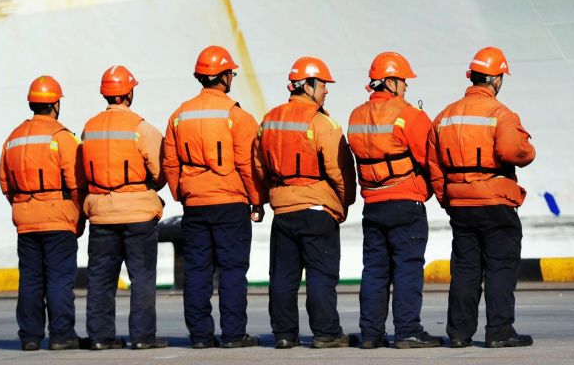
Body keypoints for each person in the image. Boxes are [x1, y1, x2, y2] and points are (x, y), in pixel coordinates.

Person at [428, 47, 536, 349]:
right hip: (494, 203)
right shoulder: (501, 114)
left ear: (472, 77)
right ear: (496, 80)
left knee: (464, 270)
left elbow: (434, 166)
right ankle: (499, 331)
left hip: (461, 205)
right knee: (500, 267)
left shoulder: (444, 116)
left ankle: (459, 333)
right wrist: (530, 149)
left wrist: (448, 200)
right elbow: (514, 152)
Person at [163, 46, 264, 349]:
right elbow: (248, 163)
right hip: (231, 204)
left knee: (197, 271)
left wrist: (183, 193)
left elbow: (170, 163)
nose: (232, 76)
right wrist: (257, 199)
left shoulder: (179, 116)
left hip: (195, 204)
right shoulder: (237, 116)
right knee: (232, 270)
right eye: (231, 72)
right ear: (222, 76)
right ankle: (234, 334)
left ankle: (200, 336)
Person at [254, 56, 356, 349]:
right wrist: (344, 202)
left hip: (283, 210)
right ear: (309, 85)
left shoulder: (269, 120)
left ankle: (284, 334)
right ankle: (326, 332)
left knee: (283, 276)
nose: (326, 91)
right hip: (317, 210)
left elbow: (258, 166)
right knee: (321, 274)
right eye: (323, 85)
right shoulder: (322, 122)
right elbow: (339, 170)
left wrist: (269, 195)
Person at [346, 52, 441, 349]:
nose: (406, 88)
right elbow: (432, 159)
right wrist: (435, 192)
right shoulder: (411, 116)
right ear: (390, 81)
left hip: (373, 205)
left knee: (374, 270)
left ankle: (371, 334)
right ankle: (408, 331)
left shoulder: (355, 116)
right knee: (407, 268)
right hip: (405, 203)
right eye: (403, 82)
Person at [79, 65, 167, 351]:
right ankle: (143, 337)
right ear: (129, 93)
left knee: (101, 278)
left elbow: (81, 171)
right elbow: (159, 170)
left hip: (101, 214)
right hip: (138, 213)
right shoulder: (141, 128)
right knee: (141, 277)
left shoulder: (89, 128)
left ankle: (100, 337)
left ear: (106, 93)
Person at [0, 75, 83, 352]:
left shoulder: (13, 139)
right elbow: (76, 181)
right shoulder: (62, 137)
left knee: (31, 279)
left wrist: (22, 205)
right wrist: (79, 215)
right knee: (59, 278)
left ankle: (31, 336)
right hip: (58, 218)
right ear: (56, 104)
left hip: (26, 220)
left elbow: (4, 182)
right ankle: (61, 335)